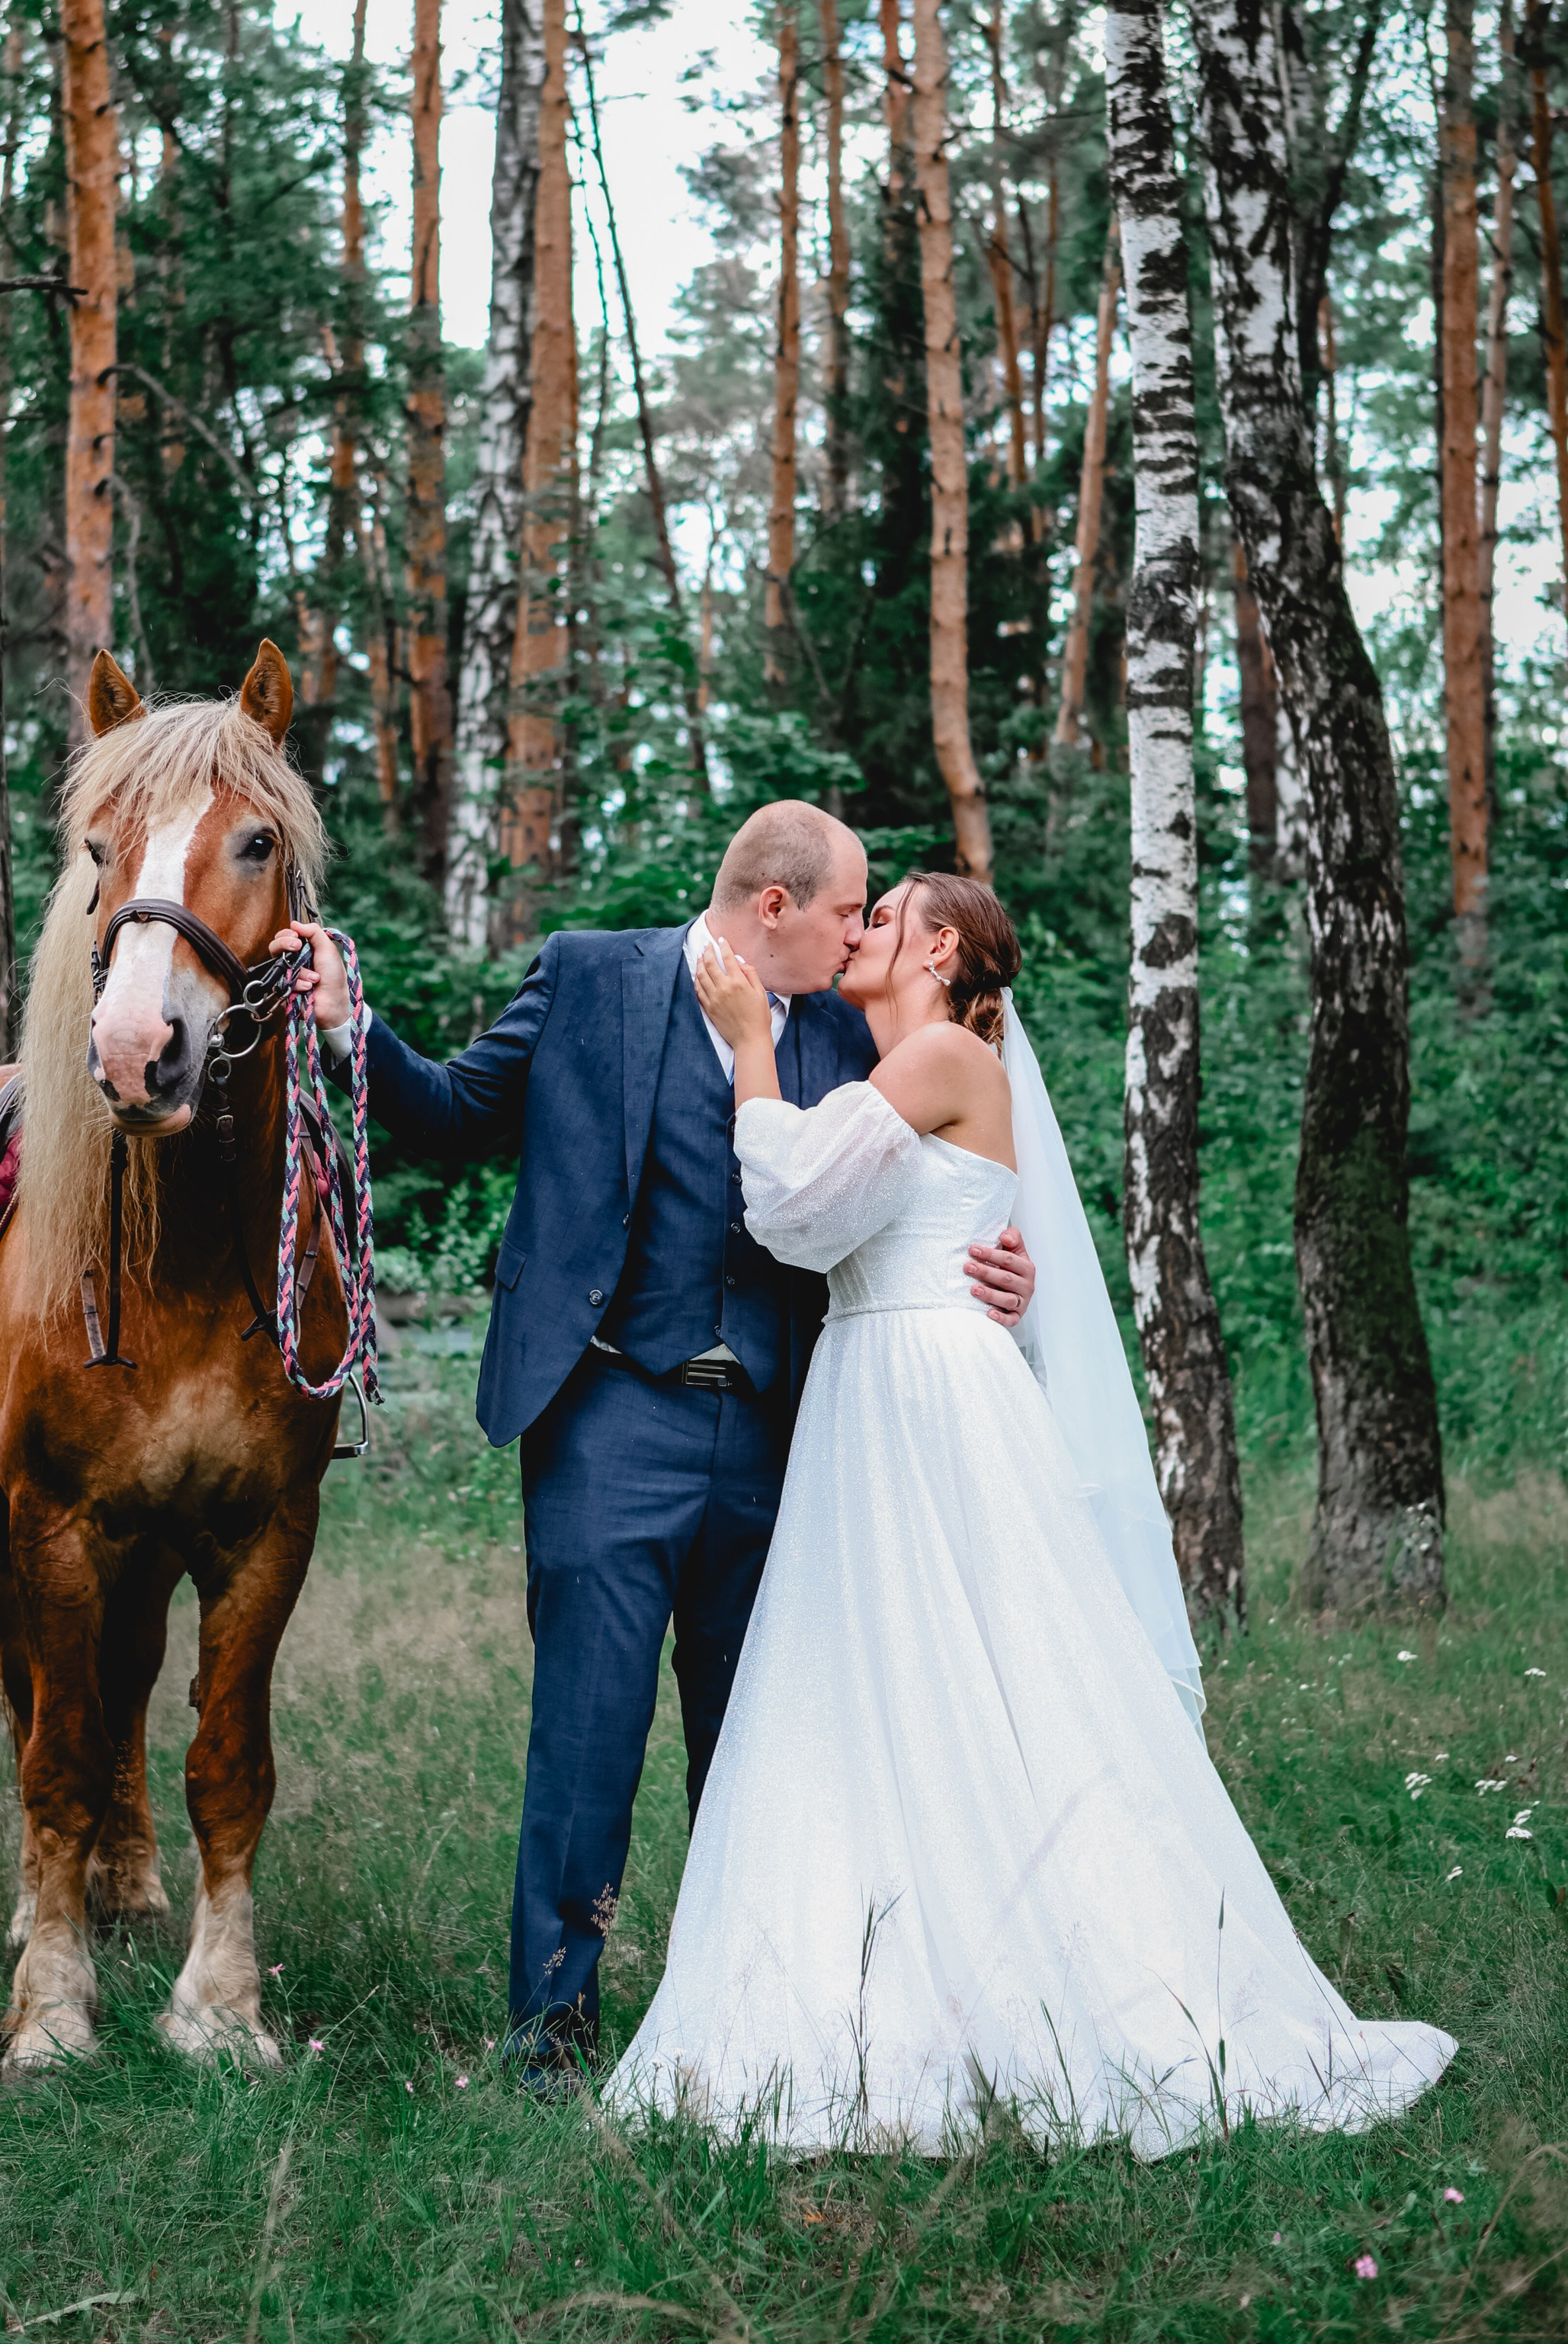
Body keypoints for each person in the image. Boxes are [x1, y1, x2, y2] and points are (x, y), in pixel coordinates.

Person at [603, 872, 1455, 2157]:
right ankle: (905, 1978)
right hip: (882, 1387)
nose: (864, 927)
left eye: (884, 915)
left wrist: (751, 1045)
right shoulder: (916, 1061)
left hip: (926, 1395)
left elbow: (787, 1208)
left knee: (984, 1682)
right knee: (889, 1685)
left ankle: (1079, 1986)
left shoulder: (942, 1050)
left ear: (941, 948)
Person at [272, 804, 1037, 2090]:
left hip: (796, 1433)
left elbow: (924, 1181)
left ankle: (762, 2023)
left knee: (767, 1736)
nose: (861, 939)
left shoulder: (862, 1026)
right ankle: (550, 2042)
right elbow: (455, 1111)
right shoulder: (590, 974)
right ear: (775, 908)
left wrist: (991, 1268)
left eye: (872, 922)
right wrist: (352, 1022)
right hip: (612, 1414)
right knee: (588, 1734)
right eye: (846, 913)